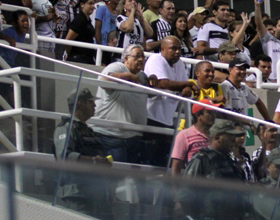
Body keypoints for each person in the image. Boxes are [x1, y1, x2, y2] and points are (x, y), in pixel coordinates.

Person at [180, 120, 247, 220]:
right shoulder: (201, 160)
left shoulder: (232, 165)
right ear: (217, 137)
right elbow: (186, 194)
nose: (233, 140)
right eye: (229, 136)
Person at [53, 89, 114, 220]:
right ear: (80, 104)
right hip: (78, 195)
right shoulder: (66, 128)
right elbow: (65, 157)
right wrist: (94, 161)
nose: (95, 106)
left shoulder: (88, 130)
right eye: (91, 102)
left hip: (97, 194)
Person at [91, 44, 151, 164]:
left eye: (143, 57)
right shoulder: (117, 67)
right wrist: (128, 76)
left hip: (133, 137)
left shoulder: (142, 76)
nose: (140, 59)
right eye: (137, 56)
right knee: (115, 178)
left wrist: (153, 79)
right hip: (111, 136)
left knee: (129, 179)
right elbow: (103, 80)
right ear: (126, 59)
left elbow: (153, 93)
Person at [144, 37, 198, 166]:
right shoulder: (155, 59)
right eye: (173, 48)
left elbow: (184, 88)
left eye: (179, 49)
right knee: (149, 161)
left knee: (163, 163)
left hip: (168, 120)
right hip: (150, 117)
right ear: (162, 49)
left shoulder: (179, 64)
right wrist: (188, 84)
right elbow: (163, 83)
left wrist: (186, 87)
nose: (177, 52)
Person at [170, 99, 215, 176]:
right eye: (209, 112)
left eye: (214, 112)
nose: (213, 116)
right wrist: (175, 187)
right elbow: (176, 166)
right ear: (198, 115)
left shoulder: (216, 135)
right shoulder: (184, 135)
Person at [219, 56, 270, 123]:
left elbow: (258, 101)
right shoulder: (225, 86)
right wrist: (248, 123)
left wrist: (269, 120)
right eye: (239, 69)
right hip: (230, 127)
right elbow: (228, 113)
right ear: (230, 70)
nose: (242, 72)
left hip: (243, 126)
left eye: (244, 69)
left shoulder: (244, 87)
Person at [64, 0, 98, 64]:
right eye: (90, 3)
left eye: (93, 4)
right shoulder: (79, 19)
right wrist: (69, 54)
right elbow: (68, 39)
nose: (93, 6)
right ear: (82, 4)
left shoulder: (87, 20)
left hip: (87, 57)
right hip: (78, 58)